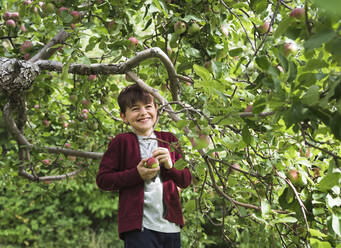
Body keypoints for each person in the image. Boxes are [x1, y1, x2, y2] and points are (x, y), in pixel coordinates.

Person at [96, 83, 192, 248]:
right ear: (123, 116)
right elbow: (103, 180)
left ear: (156, 109)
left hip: (171, 227)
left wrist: (171, 166)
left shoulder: (169, 140)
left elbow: (185, 180)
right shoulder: (121, 142)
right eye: (135, 109)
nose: (143, 113)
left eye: (148, 106)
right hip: (139, 229)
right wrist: (136, 174)